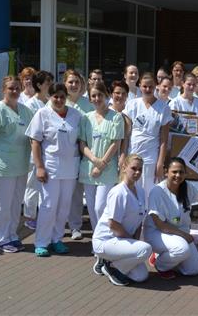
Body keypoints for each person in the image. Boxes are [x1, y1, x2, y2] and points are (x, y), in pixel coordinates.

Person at [26, 83, 92, 257]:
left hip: (70, 168)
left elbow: (81, 140)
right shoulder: (42, 114)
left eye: (62, 96)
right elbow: (35, 142)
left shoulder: (76, 115)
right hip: (50, 167)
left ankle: (56, 239)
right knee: (48, 205)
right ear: (49, 97)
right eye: (55, 96)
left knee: (64, 206)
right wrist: (39, 166)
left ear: (66, 98)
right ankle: (41, 242)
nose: (59, 100)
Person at [0, 76, 34, 253]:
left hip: (21, 165)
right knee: (1, 204)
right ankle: (1, 239)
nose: (15, 91)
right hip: (2, 167)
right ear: (4, 90)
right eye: (11, 88)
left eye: (17, 88)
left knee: (16, 203)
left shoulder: (25, 110)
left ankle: (12, 235)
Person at [79, 81, 124, 264]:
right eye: (93, 96)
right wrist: (94, 161)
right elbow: (82, 143)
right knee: (91, 208)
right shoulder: (86, 118)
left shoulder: (116, 117)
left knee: (101, 207)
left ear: (107, 96)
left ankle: (104, 240)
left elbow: (116, 143)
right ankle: (98, 242)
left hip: (107, 170)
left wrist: (102, 163)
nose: (97, 99)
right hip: (89, 168)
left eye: (100, 95)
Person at [91, 155, 152, 286]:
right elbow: (112, 224)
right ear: (124, 167)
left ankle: (110, 262)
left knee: (141, 276)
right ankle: (111, 267)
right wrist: (130, 240)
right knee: (145, 249)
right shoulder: (118, 192)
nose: (137, 172)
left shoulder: (140, 191)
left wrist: (133, 241)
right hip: (105, 241)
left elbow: (139, 220)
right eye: (133, 168)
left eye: (140, 170)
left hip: (122, 240)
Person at [124, 73, 172, 201]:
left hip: (151, 157)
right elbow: (126, 135)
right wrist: (123, 155)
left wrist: (160, 163)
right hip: (133, 154)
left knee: (147, 194)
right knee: (130, 192)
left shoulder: (163, 108)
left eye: (150, 87)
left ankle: (147, 221)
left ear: (155, 86)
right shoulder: (132, 105)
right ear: (139, 86)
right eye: (144, 86)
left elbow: (164, 140)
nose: (147, 89)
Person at [62, 70, 94, 241]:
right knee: (61, 193)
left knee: (76, 193)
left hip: (82, 154)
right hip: (62, 156)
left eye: (76, 82)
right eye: (70, 82)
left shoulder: (88, 104)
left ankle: (75, 226)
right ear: (65, 83)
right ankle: (59, 226)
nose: (74, 85)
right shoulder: (59, 101)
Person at [23, 70, 54, 231]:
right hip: (34, 152)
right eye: (47, 82)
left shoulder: (50, 101)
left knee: (44, 187)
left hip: (47, 152)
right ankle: (29, 216)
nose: (50, 85)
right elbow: (30, 132)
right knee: (32, 186)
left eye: (51, 82)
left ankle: (42, 215)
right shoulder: (30, 105)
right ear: (39, 85)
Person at [109, 80, 132, 166]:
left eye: (124, 93)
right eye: (117, 93)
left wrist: (122, 157)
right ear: (111, 94)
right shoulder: (106, 113)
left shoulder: (128, 117)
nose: (120, 96)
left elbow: (125, 140)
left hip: (119, 159)